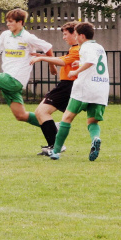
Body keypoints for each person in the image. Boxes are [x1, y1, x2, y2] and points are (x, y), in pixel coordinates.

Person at [48, 22, 109, 162]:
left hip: (85, 88)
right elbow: (95, 63)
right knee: (92, 121)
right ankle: (95, 138)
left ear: (82, 36)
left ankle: (56, 151)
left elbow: (92, 61)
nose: (75, 38)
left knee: (67, 118)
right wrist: (80, 64)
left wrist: (76, 70)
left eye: (76, 35)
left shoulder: (84, 47)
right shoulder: (99, 47)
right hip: (101, 89)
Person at [0, 8, 55, 129]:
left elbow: (48, 47)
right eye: (7, 21)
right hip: (6, 78)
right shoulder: (5, 35)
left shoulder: (28, 37)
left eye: (11, 21)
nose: (8, 24)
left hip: (16, 79)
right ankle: (54, 127)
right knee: (21, 115)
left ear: (20, 22)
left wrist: (52, 66)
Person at [29, 21, 80, 155]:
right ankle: (54, 134)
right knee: (40, 112)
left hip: (68, 86)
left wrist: (43, 59)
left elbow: (63, 61)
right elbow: (64, 59)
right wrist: (44, 57)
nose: (63, 37)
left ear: (75, 33)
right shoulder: (74, 49)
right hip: (65, 85)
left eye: (65, 34)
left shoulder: (78, 49)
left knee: (41, 112)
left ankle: (56, 145)